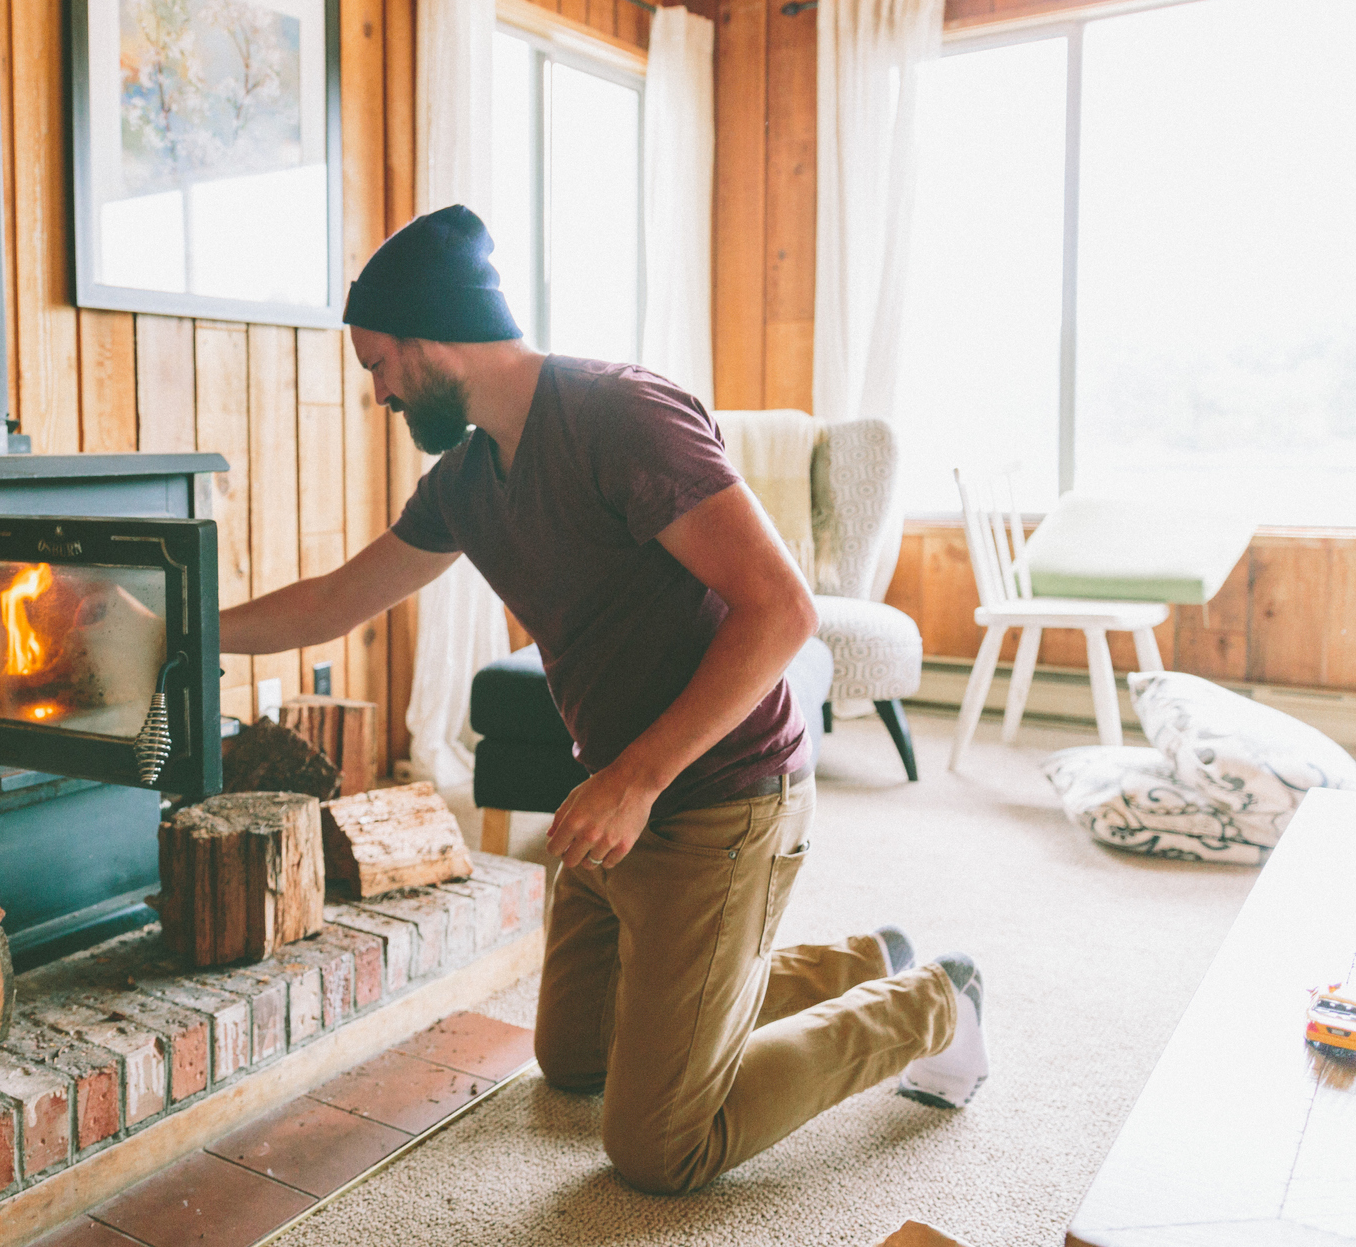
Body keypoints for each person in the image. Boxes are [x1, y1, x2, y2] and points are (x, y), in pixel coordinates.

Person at [218, 205, 989, 1194]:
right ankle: (862, 959)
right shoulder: (464, 482)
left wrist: (634, 778)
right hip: (617, 808)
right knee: (575, 1059)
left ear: (433, 339)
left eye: (380, 365)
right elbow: (333, 600)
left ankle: (931, 1001)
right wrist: (191, 629)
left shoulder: (618, 415)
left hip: (720, 789)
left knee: (661, 1144)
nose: (378, 393)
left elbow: (784, 609)